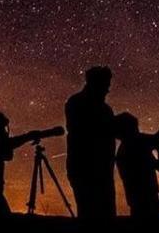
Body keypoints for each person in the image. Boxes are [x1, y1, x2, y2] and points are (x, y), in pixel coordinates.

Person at [65, 65, 116, 225]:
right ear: (96, 83)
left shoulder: (104, 109)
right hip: (85, 170)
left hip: (102, 170)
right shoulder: (77, 104)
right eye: (106, 85)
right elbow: (84, 131)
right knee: (90, 216)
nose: (108, 89)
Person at [0, 110, 40, 215]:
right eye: (2, 127)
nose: (4, 131)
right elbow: (7, 148)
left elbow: (7, 150)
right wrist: (28, 136)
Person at [115, 112, 159, 221]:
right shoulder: (136, 148)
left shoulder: (124, 151)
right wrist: (158, 147)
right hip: (145, 198)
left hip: (138, 198)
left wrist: (158, 147)